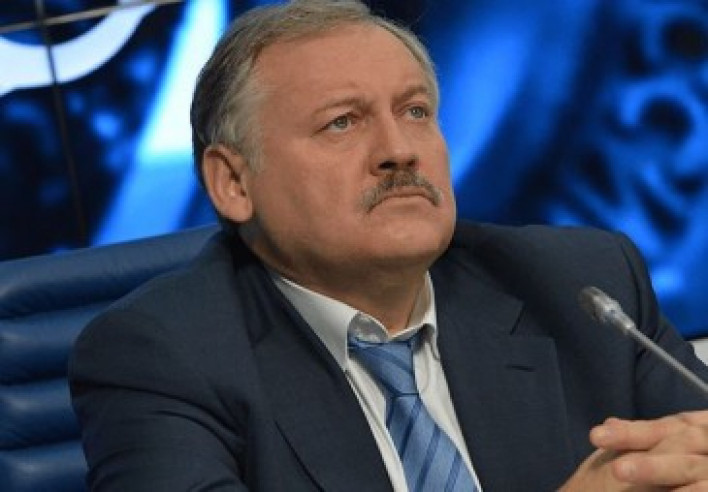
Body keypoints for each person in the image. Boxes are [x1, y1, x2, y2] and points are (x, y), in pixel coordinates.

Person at [68, 0, 708, 490]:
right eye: (342, 122)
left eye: (416, 112)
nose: (400, 150)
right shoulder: (160, 358)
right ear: (233, 182)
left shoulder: (582, 287)